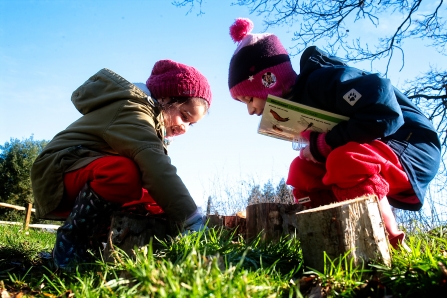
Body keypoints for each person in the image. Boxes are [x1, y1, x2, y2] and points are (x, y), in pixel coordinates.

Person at [227, 18, 441, 249]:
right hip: (370, 151)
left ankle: (388, 240)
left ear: (268, 81)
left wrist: (326, 143)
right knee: (301, 171)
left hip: (411, 144)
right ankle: (327, 238)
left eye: (249, 98)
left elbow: (384, 109)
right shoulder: (296, 108)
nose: (250, 110)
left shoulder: (323, 82)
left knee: (345, 160)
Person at [31, 60, 212, 268]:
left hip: (85, 170)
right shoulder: (134, 111)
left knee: (156, 197)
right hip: (58, 170)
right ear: (164, 98)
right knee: (124, 173)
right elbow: (154, 165)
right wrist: (190, 218)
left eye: (191, 124)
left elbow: (157, 181)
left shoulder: (151, 123)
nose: (185, 128)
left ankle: (107, 242)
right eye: (184, 116)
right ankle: (73, 239)